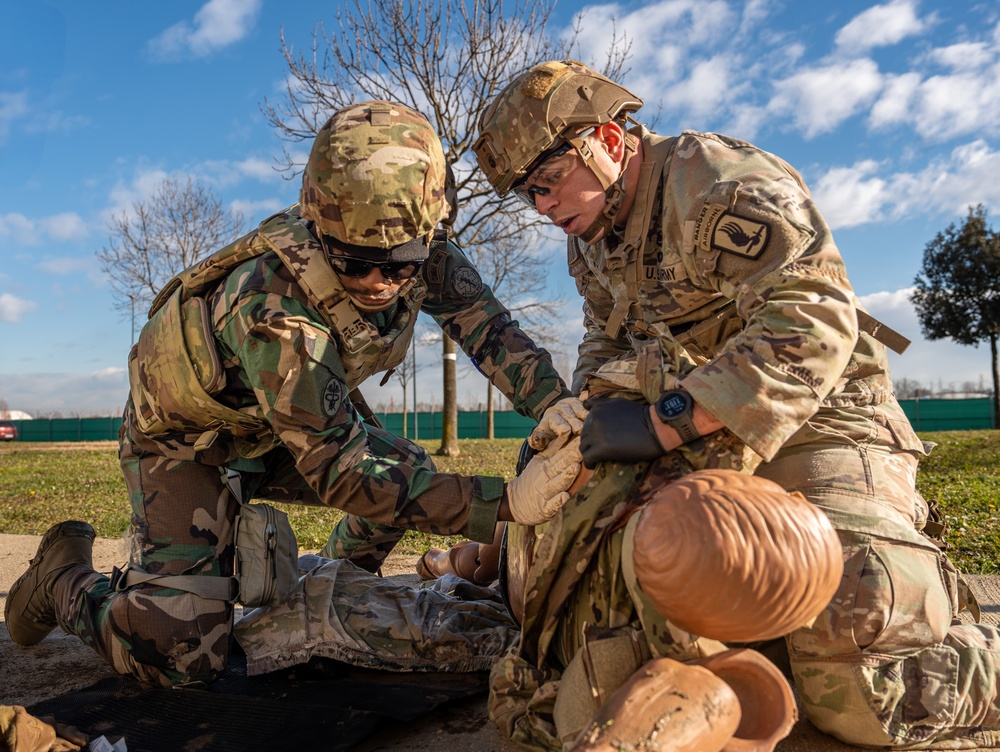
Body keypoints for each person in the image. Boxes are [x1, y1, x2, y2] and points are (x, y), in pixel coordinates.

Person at [472, 60, 1000, 749]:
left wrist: (664, 424)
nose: (542, 207)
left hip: (820, 420)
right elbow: (604, 335)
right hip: (698, 431)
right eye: (527, 195)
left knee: (863, 693)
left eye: (546, 182)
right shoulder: (592, 237)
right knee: (613, 603)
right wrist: (585, 410)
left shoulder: (714, 181)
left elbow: (812, 322)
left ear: (605, 137)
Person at [4, 100, 582, 688]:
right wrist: (504, 503)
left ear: (429, 235)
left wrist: (555, 403)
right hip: (186, 447)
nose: (377, 283)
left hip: (278, 430)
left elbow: (487, 327)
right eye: (353, 263)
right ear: (319, 227)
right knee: (179, 655)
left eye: (400, 265)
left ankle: (327, 593)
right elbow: (341, 470)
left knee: (403, 469)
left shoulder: (425, 247)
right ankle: (63, 582)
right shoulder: (275, 309)